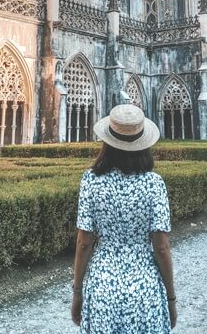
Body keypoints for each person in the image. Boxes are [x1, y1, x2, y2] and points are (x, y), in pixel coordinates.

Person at [71, 104, 177, 332]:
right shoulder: (154, 183)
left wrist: (77, 292)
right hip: (144, 290)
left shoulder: (91, 180)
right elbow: (161, 248)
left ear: (107, 142)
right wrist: (171, 299)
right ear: (144, 144)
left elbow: (83, 243)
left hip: (102, 287)